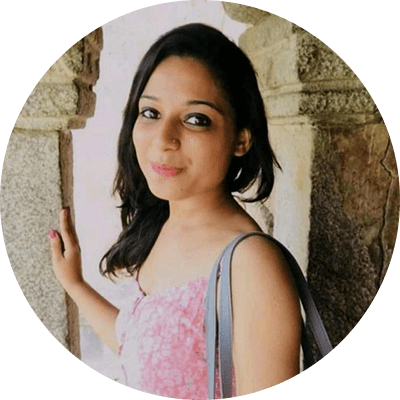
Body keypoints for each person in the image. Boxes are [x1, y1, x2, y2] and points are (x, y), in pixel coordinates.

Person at [48, 23, 302, 399]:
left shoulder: (250, 265)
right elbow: (148, 348)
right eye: (151, 112)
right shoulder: (166, 226)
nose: (163, 139)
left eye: (196, 119)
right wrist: (75, 285)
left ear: (241, 139)